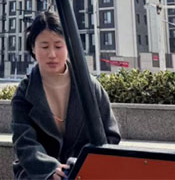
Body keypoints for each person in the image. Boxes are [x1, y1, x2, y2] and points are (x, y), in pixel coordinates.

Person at [11, 11, 121, 179]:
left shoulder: (89, 86)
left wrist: (82, 166)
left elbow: (110, 135)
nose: (52, 54)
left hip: (84, 171)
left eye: (58, 46)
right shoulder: (24, 92)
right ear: (33, 47)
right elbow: (24, 142)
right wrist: (49, 169)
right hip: (37, 172)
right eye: (45, 47)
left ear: (68, 46)